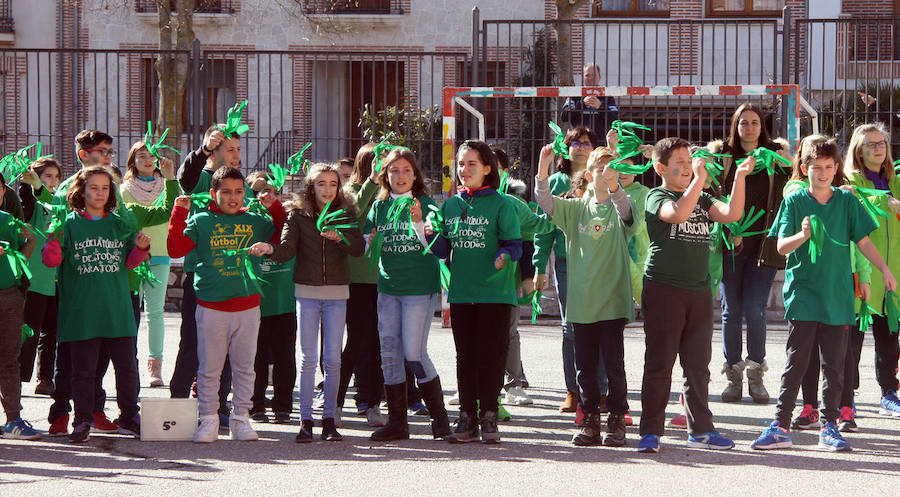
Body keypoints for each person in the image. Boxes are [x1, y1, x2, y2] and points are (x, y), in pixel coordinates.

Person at [751, 137, 897, 452]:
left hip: (838, 296)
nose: (823, 173)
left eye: (829, 167)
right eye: (817, 168)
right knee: (797, 361)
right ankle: (780, 426)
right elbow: (779, 247)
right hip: (803, 293)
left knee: (835, 364)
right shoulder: (794, 201)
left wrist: (884, 270)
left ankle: (829, 427)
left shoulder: (847, 202)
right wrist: (801, 235)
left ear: (835, 169)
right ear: (805, 169)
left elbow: (864, 242)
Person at [638, 137, 753, 453]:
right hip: (664, 289)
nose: (688, 168)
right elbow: (675, 214)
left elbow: (730, 214)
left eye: (690, 162)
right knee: (660, 363)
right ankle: (650, 431)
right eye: (681, 163)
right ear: (661, 167)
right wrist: (700, 180)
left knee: (698, 366)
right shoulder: (656, 195)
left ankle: (701, 429)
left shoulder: (701, 198)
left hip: (699, 290)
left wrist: (740, 177)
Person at [168, 166, 286, 443]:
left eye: (238, 192)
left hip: (247, 305)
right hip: (211, 306)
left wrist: (276, 208)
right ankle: (208, 418)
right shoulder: (201, 220)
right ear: (213, 193)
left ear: (245, 193)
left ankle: (240, 419)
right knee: (209, 367)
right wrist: (179, 214)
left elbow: (282, 238)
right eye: (226, 192)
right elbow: (175, 250)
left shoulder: (257, 220)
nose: (233, 198)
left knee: (245, 367)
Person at [253, 163, 364, 443]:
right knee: (307, 359)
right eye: (321, 184)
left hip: (337, 293)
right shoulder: (298, 215)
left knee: (332, 359)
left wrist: (339, 238)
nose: (327, 189)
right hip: (306, 292)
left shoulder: (346, 213)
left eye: (333, 184)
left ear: (339, 188)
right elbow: (287, 250)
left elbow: (359, 248)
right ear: (310, 187)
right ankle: (305, 421)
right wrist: (270, 249)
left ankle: (329, 419)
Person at [535, 144, 637, 447]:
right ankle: (590, 419)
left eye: (611, 167)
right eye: (599, 167)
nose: (605, 171)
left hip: (613, 301)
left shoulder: (621, 205)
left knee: (614, 365)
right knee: (585, 366)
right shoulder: (575, 208)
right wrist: (543, 167)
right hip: (582, 303)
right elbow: (543, 201)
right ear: (588, 174)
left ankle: (617, 419)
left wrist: (615, 184)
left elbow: (628, 213)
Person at [42, 166, 149, 443]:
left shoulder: (119, 223)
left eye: (105, 188)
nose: (100, 193)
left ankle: (129, 415)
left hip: (118, 310)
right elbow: (51, 262)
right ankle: (82, 420)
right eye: (94, 188)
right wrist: (52, 243)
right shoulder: (67, 224)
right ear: (81, 191)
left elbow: (130, 263)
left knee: (127, 367)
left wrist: (140, 248)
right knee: (83, 371)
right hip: (82, 312)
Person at [425, 140, 522, 444]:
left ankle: (490, 416)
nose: (464, 170)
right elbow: (443, 249)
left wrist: (504, 256)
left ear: (488, 169)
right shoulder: (451, 204)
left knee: (491, 356)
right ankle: (467, 418)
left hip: (494, 294)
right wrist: (425, 232)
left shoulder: (503, 203)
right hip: (462, 292)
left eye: (472, 164)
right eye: (461, 164)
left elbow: (515, 245)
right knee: (465, 356)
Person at [363, 148, 452, 441]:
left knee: (414, 353)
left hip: (418, 289)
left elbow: (435, 247)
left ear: (415, 175)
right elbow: (366, 246)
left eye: (406, 171)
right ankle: (397, 423)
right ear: (385, 176)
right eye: (394, 171)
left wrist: (417, 223)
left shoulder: (426, 204)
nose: (400, 177)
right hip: (388, 288)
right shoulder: (379, 207)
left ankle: (440, 420)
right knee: (389, 355)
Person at [709, 104, 791, 404]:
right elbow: (712, 193)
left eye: (755, 122)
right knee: (731, 311)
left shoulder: (776, 156)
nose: (749, 127)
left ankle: (756, 374)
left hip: (764, 245)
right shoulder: (724, 156)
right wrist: (727, 226)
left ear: (762, 126)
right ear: (735, 126)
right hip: (731, 242)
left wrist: (787, 160)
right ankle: (733, 377)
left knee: (755, 309)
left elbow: (793, 187)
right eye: (743, 122)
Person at [170, 124, 247, 427]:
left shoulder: (242, 185)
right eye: (230, 149)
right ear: (215, 152)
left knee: (227, 346)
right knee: (192, 342)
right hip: (199, 275)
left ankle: (219, 406)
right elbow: (184, 179)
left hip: (232, 278)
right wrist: (201, 151)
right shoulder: (202, 178)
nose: (237, 155)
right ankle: (176, 406)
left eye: (239, 149)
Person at [533, 126, 603, 414]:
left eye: (587, 142)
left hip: (600, 264)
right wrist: (539, 267)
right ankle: (572, 391)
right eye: (574, 142)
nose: (580, 147)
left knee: (600, 326)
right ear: (565, 147)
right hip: (567, 264)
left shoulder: (602, 179)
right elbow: (544, 228)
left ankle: (601, 391)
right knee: (570, 328)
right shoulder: (557, 181)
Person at [842, 123, 900, 422]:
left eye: (881, 143)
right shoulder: (848, 181)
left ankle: (889, 393)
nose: (878, 148)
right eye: (870, 144)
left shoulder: (896, 181)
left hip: (893, 274)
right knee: (852, 338)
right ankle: (846, 397)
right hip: (862, 271)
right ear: (858, 150)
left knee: (889, 337)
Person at [120, 142, 178, 387]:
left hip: (160, 254)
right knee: (130, 313)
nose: (147, 160)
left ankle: (155, 367)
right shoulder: (123, 190)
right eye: (141, 156)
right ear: (132, 161)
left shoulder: (168, 186)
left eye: (151, 156)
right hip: (133, 257)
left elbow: (172, 211)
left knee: (155, 313)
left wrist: (171, 177)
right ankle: (128, 364)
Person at [337, 143, 386, 427]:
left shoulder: (389, 195)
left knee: (378, 345)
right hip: (357, 282)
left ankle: (372, 403)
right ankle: (337, 400)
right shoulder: (350, 193)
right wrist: (371, 181)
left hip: (383, 281)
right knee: (355, 342)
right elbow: (352, 216)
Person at [245, 172, 297, 425]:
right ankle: (255, 404)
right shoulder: (247, 219)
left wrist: (272, 202)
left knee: (285, 357)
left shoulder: (284, 219)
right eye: (260, 193)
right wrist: (251, 196)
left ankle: (283, 406)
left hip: (284, 301)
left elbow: (281, 218)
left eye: (272, 192)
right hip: (255, 303)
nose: (266, 197)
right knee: (257, 357)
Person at [17, 158, 62, 396]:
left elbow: (60, 208)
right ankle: (19, 376)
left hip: (57, 280)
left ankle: (45, 378)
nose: (53, 181)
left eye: (56, 176)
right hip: (35, 281)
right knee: (29, 331)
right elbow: (26, 208)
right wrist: (31, 187)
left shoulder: (61, 204)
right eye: (47, 176)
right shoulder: (33, 205)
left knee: (51, 333)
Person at [0, 173, 39, 440]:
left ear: (3, 192)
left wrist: (32, 241)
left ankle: (13, 419)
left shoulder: (8, 221)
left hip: (10, 297)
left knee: (9, 360)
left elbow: (22, 256)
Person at [560, 64, 619, 144]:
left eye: (594, 75)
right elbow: (564, 116)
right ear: (583, 77)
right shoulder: (575, 94)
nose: (590, 78)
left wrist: (600, 107)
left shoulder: (607, 96)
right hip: (578, 143)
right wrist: (582, 104)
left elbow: (615, 120)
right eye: (587, 75)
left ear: (599, 77)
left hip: (600, 145)